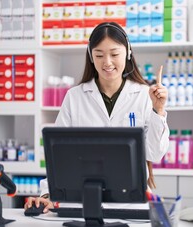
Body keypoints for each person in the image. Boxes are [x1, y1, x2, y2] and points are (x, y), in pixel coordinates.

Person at [25, 22, 169, 212]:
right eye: (99, 55)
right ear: (91, 56)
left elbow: (155, 154)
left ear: (128, 53)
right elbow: (58, 156)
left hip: (131, 204)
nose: (107, 62)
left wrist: (158, 111)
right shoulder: (75, 96)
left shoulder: (144, 95)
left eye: (114, 54)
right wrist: (46, 194)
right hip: (81, 204)